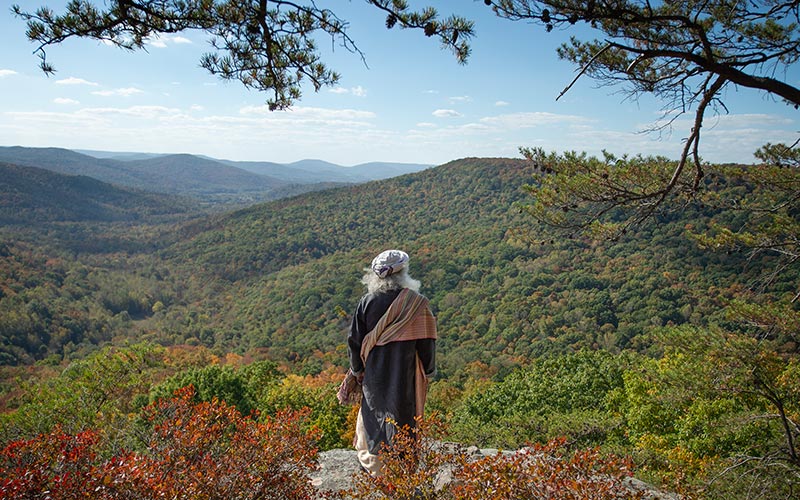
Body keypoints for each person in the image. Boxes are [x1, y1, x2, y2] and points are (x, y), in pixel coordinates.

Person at [347, 249, 437, 476]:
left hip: (374, 372)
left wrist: (358, 371)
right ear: (403, 273)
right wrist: (427, 371)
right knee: (404, 413)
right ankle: (403, 467)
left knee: (373, 412)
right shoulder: (417, 304)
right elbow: (427, 342)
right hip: (405, 372)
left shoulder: (367, 302)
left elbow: (354, 342)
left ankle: (374, 466)